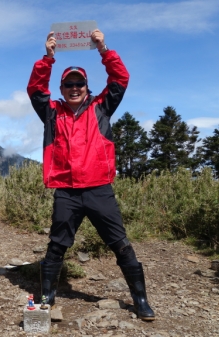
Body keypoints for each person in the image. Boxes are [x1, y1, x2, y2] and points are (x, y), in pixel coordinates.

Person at [26, 29, 155, 321]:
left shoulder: (102, 107)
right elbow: (35, 88)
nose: (74, 88)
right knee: (56, 246)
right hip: (67, 191)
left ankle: (141, 300)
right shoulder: (51, 111)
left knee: (120, 245)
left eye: (79, 83)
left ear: (86, 86)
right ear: (61, 88)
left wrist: (103, 48)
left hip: (99, 190)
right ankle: (46, 301)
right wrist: (48, 59)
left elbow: (120, 79)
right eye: (68, 84)